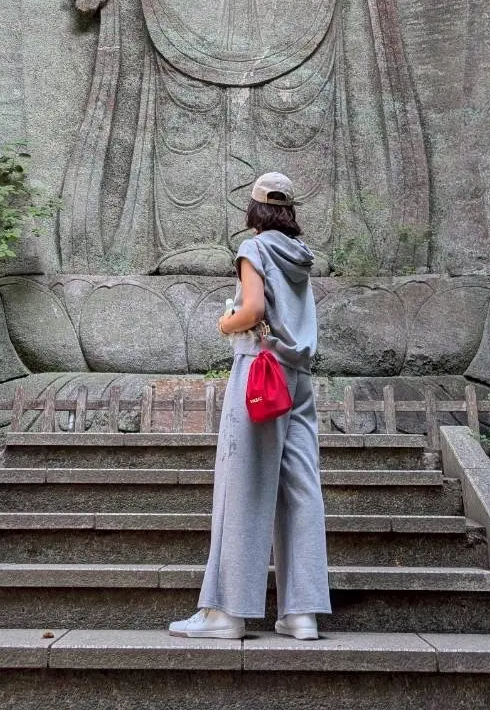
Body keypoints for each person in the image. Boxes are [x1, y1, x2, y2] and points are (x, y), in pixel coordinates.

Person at [168, 171, 331, 641]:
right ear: (290, 211)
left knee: (241, 486)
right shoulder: (301, 257)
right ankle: (302, 613)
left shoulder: (254, 249)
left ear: (255, 209)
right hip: (297, 380)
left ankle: (226, 612)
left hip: (260, 374)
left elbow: (254, 311)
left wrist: (225, 321)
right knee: (301, 487)